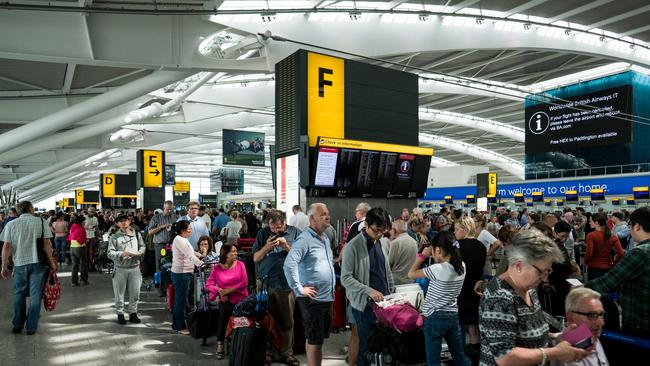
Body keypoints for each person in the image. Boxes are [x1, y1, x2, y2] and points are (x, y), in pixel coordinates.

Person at [479, 229, 590, 365]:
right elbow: (505, 357)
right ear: (519, 265)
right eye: (541, 272)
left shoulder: (528, 289)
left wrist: (559, 337)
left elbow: (528, 334)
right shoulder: (499, 298)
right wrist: (555, 352)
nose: (545, 278)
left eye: (548, 271)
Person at [586, 207, 650, 358]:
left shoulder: (640, 253)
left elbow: (608, 282)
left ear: (638, 226)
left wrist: (581, 288)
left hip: (639, 323)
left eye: (630, 226)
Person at [284, 203, 336, 366]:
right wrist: (299, 288)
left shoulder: (325, 237)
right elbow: (289, 264)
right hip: (313, 299)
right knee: (315, 341)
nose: (327, 216)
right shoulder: (305, 239)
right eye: (323, 214)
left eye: (328, 213)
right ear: (312, 218)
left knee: (315, 339)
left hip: (326, 297)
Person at [341, 207, 394, 366]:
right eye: (377, 230)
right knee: (366, 347)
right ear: (366, 224)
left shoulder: (382, 242)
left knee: (383, 346)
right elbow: (345, 278)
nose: (379, 234)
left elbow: (386, 270)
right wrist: (368, 291)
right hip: (364, 306)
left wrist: (392, 291)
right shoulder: (352, 246)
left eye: (383, 231)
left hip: (384, 303)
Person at [408, 231, 470, 366]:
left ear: (438, 250)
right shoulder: (462, 266)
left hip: (434, 318)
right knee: (459, 356)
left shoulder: (437, 269)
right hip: (452, 316)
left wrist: (422, 255)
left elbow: (411, 273)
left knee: (433, 359)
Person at [252, 209, 302, 366]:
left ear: (284, 222)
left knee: (287, 320)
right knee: (266, 319)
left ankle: (286, 353)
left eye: (278, 227)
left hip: (287, 283)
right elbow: (255, 258)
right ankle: (266, 352)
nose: (274, 230)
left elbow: (302, 257)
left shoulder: (296, 233)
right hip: (265, 282)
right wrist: (267, 247)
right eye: (272, 227)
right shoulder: (263, 233)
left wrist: (286, 246)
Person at [0, 201, 56, 335]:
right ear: (31, 209)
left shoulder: (11, 224)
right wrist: (52, 262)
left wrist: (3, 266)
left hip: (19, 263)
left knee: (19, 293)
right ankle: (31, 327)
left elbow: (6, 247)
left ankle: (18, 324)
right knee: (35, 295)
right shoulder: (41, 222)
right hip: (38, 263)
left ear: (19, 211)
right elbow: (47, 244)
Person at [206, 243, 248, 359]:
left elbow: (244, 283)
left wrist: (228, 291)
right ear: (225, 254)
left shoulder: (240, 265)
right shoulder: (217, 268)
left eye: (236, 251)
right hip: (226, 299)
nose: (235, 254)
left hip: (241, 299)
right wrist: (219, 291)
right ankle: (220, 343)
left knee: (240, 314)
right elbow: (208, 284)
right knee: (223, 314)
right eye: (232, 252)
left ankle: (239, 342)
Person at [454, 215, 486, 364]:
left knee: (459, 326)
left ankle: (460, 358)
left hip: (460, 290)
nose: (454, 233)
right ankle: (476, 358)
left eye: (456, 230)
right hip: (476, 290)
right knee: (474, 327)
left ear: (465, 230)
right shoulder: (481, 246)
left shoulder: (458, 246)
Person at [550, 288, 609, 366]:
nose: (601, 323)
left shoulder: (591, 336)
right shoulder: (569, 353)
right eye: (591, 315)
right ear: (571, 317)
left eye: (601, 314)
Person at [107, 214, 145, 325]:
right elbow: (109, 253)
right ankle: (120, 313)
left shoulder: (136, 235)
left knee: (135, 292)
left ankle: (133, 313)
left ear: (129, 221)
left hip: (135, 268)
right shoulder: (114, 237)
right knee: (119, 293)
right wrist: (121, 254)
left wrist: (139, 253)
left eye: (126, 220)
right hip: (120, 269)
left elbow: (142, 246)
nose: (124, 223)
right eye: (121, 221)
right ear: (117, 224)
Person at [170, 220, 204, 334]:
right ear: (183, 230)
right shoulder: (179, 240)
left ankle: (177, 324)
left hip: (184, 274)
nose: (191, 230)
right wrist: (201, 264)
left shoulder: (183, 239)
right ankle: (179, 326)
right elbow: (190, 255)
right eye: (189, 228)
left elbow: (191, 252)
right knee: (180, 301)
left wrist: (200, 255)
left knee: (181, 300)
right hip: (181, 274)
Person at [147, 201, 178, 296]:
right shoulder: (156, 217)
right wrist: (161, 227)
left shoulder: (175, 217)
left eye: (170, 209)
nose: (169, 211)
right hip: (160, 245)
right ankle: (160, 288)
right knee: (159, 266)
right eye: (167, 209)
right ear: (163, 208)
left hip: (173, 245)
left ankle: (171, 287)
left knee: (173, 266)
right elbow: (150, 232)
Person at [584, 213, 625, 281]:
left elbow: (589, 254)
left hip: (594, 268)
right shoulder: (613, 236)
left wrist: (586, 262)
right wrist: (613, 264)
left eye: (590, 221)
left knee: (593, 290)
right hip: (608, 268)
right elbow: (621, 253)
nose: (589, 223)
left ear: (596, 222)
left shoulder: (591, 235)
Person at [388, 219, 418, 285]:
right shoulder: (414, 241)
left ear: (394, 230)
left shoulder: (396, 243)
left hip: (397, 281)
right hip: (411, 280)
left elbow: (389, 263)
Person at [68, 215, 88, 286]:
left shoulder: (72, 227)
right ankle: (83, 280)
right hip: (80, 248)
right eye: (84, 221)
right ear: (81, 222)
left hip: (72, 248)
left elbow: (70, 237)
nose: (85, 222)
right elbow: (82, 240)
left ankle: (74, 282)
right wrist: (86, 241)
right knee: (83, 264)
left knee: (75, 265)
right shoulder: (81, 229)